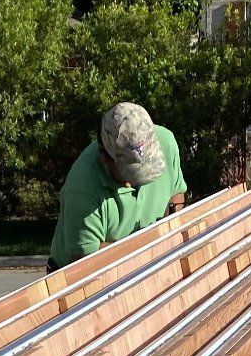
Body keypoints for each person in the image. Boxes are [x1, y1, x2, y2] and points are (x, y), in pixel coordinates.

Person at [48, 102, 186, 272]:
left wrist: (171, 229)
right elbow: (86, 261)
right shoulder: (82, 189)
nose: (137, 182)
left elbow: (176, 193)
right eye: (130, 172)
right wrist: (149, 249)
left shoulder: (166, 143)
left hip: (146, 264)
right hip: (82, 276)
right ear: (104, 157)